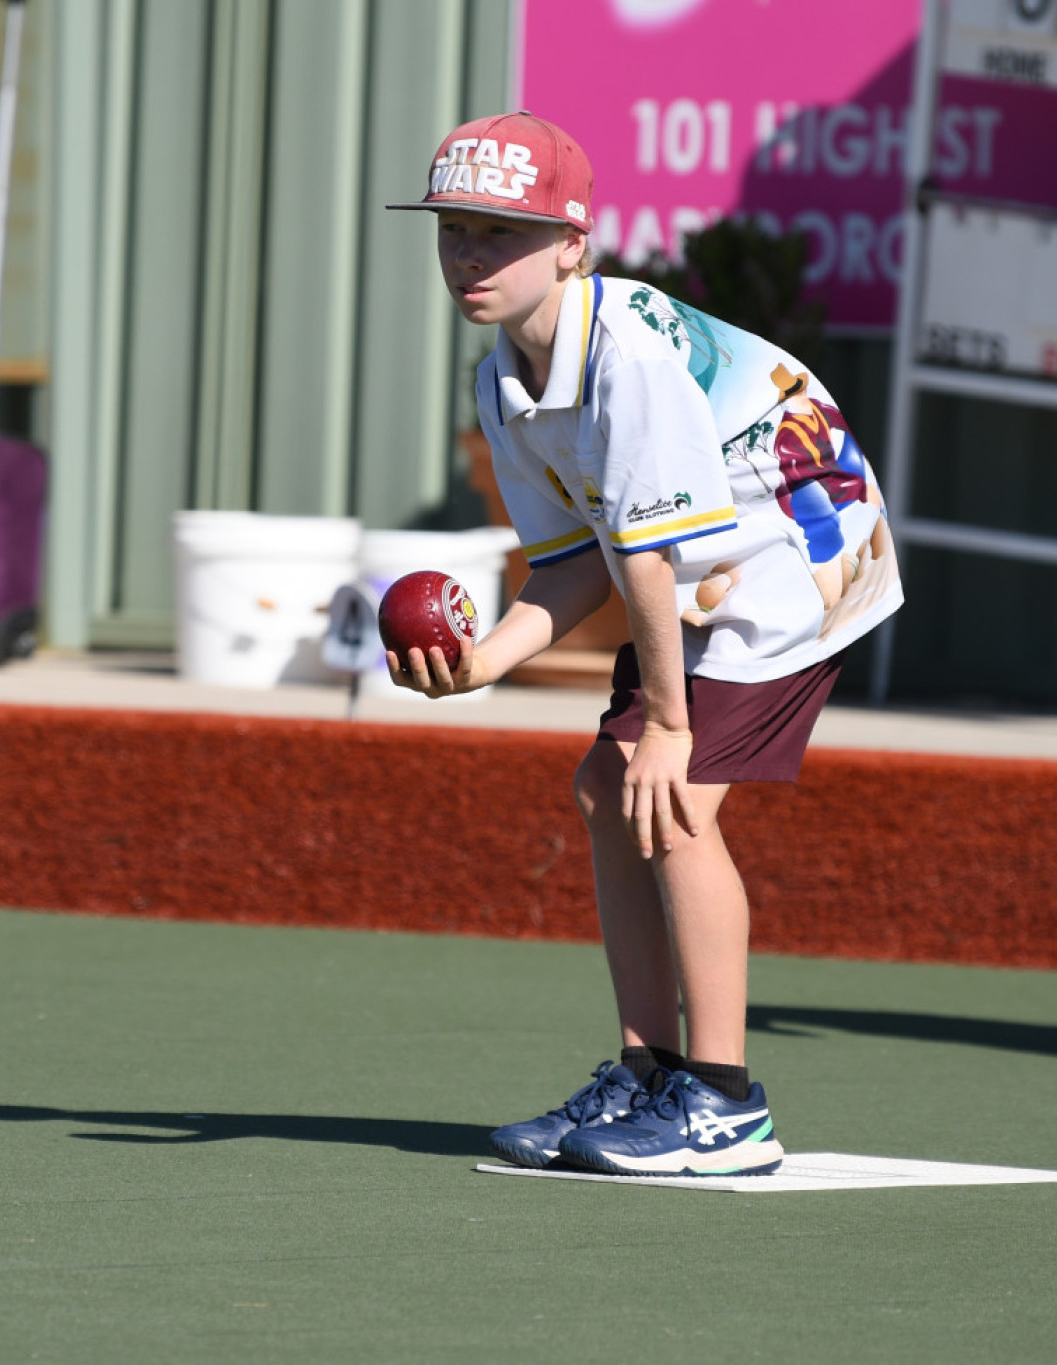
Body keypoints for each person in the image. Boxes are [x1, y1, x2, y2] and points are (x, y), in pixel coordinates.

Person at [384, 112, 902, 1175]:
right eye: (453, 232)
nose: (470, 255)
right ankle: (647, 1072)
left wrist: (668, 723)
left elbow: (650, 564)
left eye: (500, 232)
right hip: (715, 558)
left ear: (573, 244)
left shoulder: (623, 359)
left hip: (799, 550)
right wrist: (482, 664)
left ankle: (723, 1105)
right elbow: (580, 561)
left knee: (664, 799)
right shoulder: (504, 380)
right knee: (601, 785)